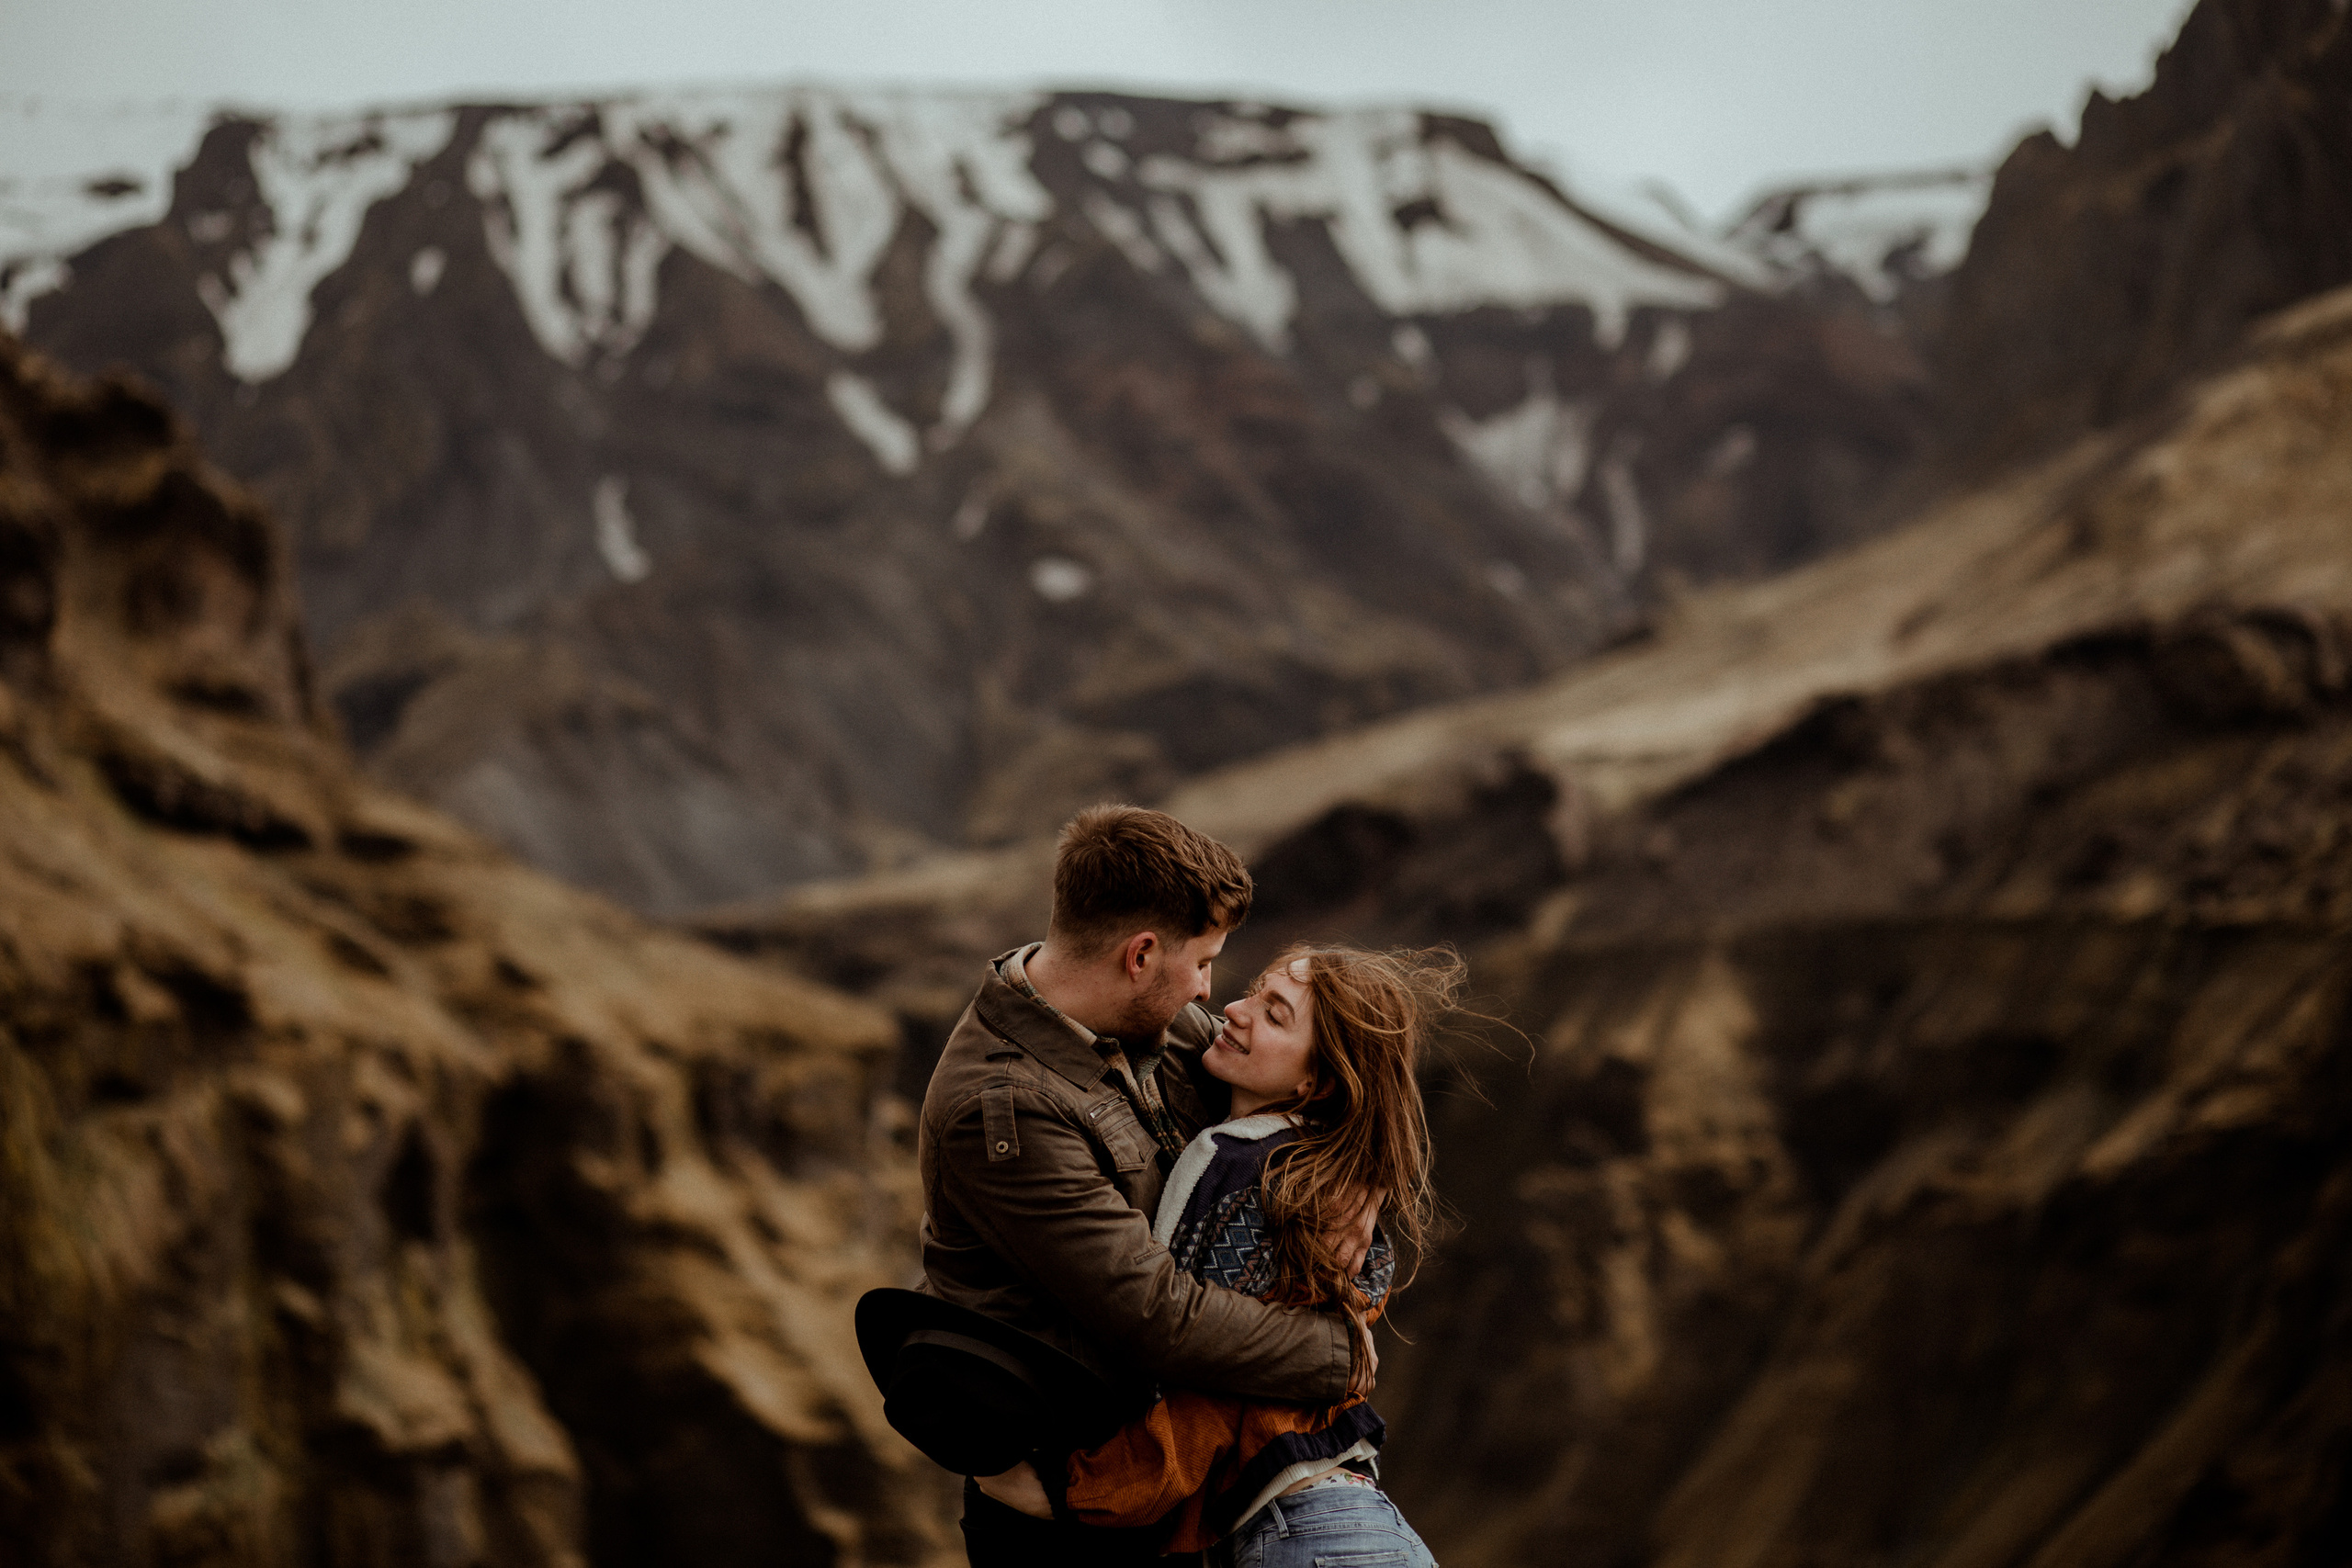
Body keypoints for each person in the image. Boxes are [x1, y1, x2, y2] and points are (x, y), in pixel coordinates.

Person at [915, 805, 1377, 1567]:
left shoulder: (1152, 1026)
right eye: (1202, 961)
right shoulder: (1002, 1109)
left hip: (1171, 1478)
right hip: (1067, 1512)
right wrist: (1336, 1355)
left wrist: (1360, 1179)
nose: (1208, 991)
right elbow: (1156, 1316)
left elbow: (1305, 1087)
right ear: (1139, 955)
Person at [985, 944, 1455, 1567]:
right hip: (1356, 1527)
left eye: (1275, 1014)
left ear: (1313, 1082)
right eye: (1254, 990)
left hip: (1311, 1535)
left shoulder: (1242, 1172)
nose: (1232, 1008)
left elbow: (1209, 1389)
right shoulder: (1312, 1174)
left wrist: (1075, 1489)